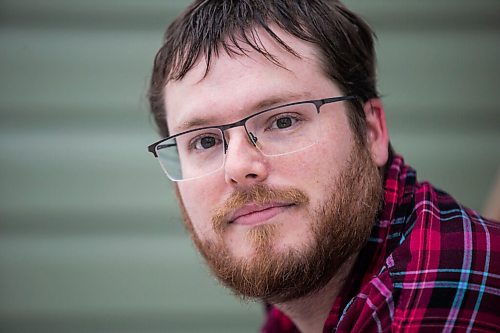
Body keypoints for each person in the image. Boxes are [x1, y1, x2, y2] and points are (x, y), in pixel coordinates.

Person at [146, 0, 500, 332]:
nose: (238, 166)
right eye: (204, 141)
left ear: (371, 130)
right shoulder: (301, 296)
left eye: (283, 121)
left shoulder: (443, 302)